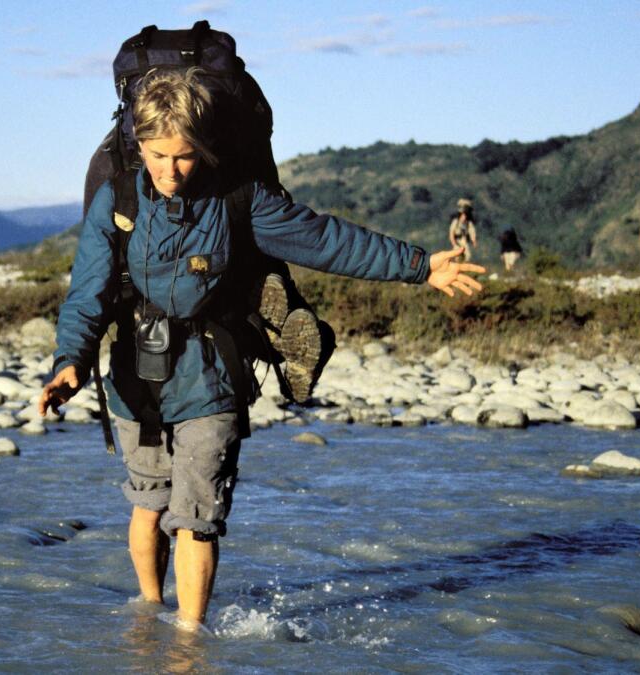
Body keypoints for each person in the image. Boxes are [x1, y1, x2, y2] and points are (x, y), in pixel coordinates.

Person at [37, 68, 485, 632]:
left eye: (182, 157)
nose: (168, 171)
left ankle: (187, 644)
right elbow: (87, 293)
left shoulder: (239, 202)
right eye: (155, 155)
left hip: (210, 376)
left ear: (203, 147)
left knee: (196, 519)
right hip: (135, 374)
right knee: (149, 504)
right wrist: (69, 362)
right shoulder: (118, 198)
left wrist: (418, 266)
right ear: (138, 144)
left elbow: (327, 240)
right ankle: (148, 620)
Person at [448, 199, 478, 263]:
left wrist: (474, 241)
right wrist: (454, 244)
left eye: (465, 215)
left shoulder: (468, 223)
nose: (464, 217)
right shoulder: (456, 221)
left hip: (464, 240)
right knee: (457, 256)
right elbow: (451, 233)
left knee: (468, 256)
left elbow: (472, 232)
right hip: (457, 240)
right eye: (463, 215)